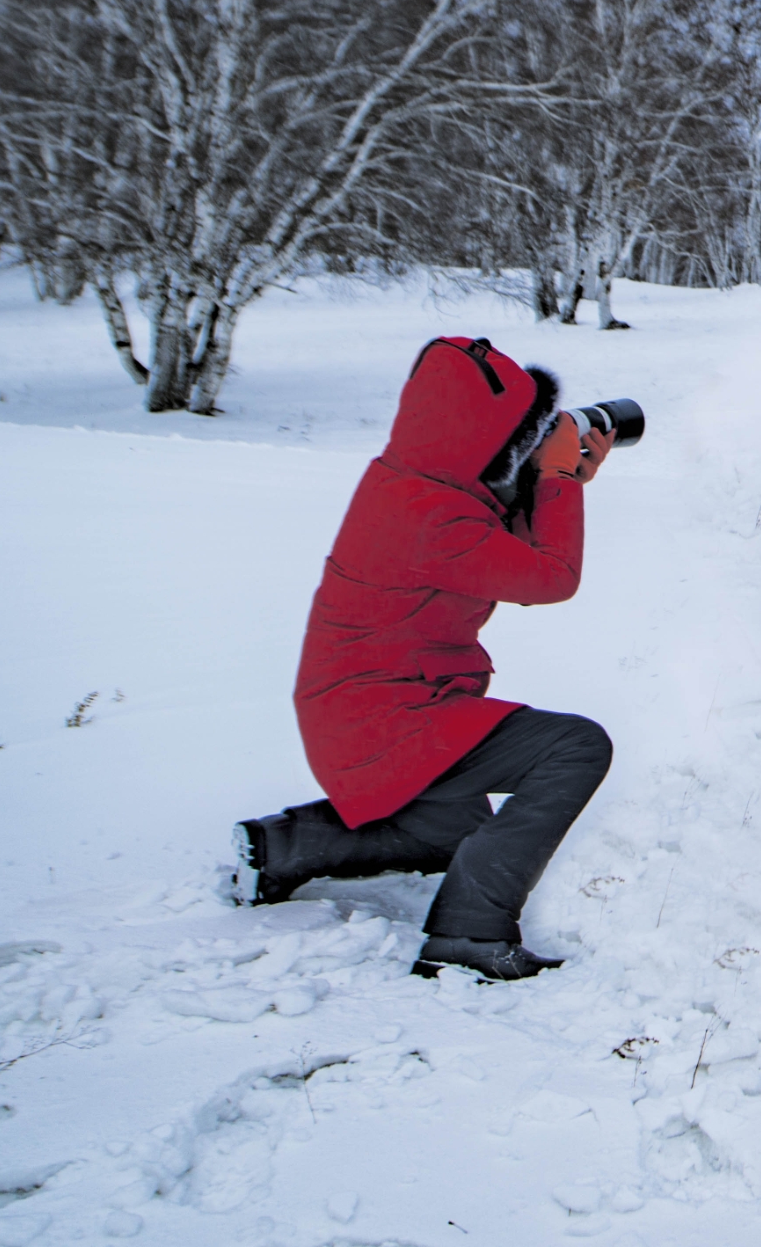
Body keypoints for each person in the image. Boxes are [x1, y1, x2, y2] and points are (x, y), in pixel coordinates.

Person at [234, 337, 618, 981]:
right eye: (520, 434)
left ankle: (280, 848)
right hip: (388, 718)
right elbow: (549, 579)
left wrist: (559, 478)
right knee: (576, 746)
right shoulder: (433, 519)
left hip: (363, 712)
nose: (524, 445)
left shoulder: (410, 485)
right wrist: (553, 479)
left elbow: (493, 551)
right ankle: (468, 936)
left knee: (453, 833)